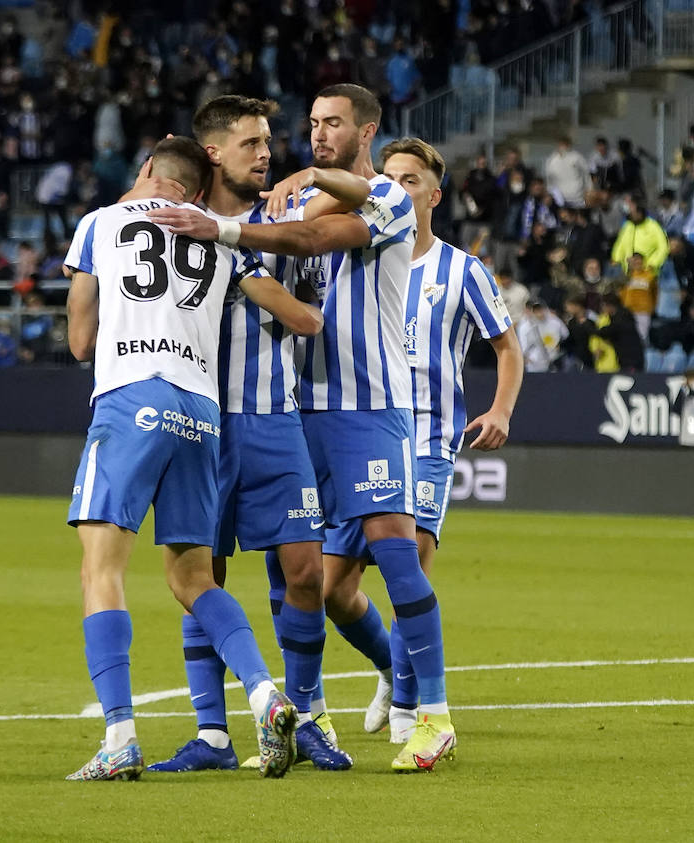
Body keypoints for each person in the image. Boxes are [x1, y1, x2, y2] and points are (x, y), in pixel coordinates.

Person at [148, 84, 457, 772]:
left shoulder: (386, 198)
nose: (316, 135)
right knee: (281, 576)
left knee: (382, 557)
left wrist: (247, 225)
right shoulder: (276, 204)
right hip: (281, 408)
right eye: (312, 126)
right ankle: (263, 723)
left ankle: (426, 710)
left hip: (364, 405)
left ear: (365, 129)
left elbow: (313, 235)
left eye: (332, 124)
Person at [61, 136, 308, 782]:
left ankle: (119, 735)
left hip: (131, 397)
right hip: (201, 412)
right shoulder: (219, 241)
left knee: (100, 567)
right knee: (194, 578)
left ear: (146, 171)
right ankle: (265, 693)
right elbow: (288, 311)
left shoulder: (100, 223)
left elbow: (80, 341)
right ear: (198, 192)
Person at [143, 96, 360, 775]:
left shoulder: (287, 213)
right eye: (250, 143)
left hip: (274, 419)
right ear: (211, 153)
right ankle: (212, 733)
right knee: (203, 575)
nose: (266, 153)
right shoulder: (170, 219)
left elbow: (371, 202)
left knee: (305, 572)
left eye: (268, 141)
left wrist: (317, 181)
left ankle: (307, 715)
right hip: (198, 421)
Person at [370, 137, 523, 741]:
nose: (396, 189)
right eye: (388, 178)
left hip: (431, 437)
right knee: (334, 587)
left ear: (433, 195)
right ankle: (390, 662)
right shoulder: (357, 257)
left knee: (411, 569)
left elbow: (507, 346)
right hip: (362, 433)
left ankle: (410, 708)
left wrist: (501, 410)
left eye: (410, 181)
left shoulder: (461, 270)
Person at [518, 298, 567, 371]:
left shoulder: (554, 321)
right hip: (534, 364)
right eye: (536, 310)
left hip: (554, 361)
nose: (539, 313)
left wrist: (559, 344)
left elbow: (565, 334)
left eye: (540, 309)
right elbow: (523, 346)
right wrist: (525, 357)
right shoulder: (525, 326)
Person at [544, 137, 589, 208]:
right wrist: (549, 193)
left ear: (569, 145)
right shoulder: (551, 160)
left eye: (565, 144)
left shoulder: (577, 157)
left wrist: (589, 190)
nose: (563, 146)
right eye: (561, 144)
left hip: (577, 197)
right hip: (559, 199)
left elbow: (586, 174)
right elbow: (548, 179)